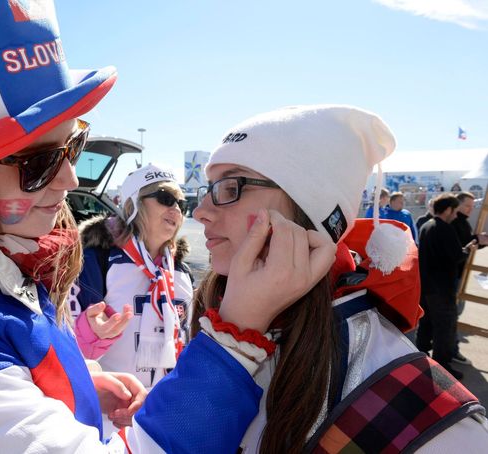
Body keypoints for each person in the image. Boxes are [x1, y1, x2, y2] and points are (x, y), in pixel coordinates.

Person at [0, 1, 335, 452]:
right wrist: (236, 337)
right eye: (36, 163)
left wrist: (75, 388)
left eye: (72, 146)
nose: (65, 180)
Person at [192, 105, 488, 453]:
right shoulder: (214, 310)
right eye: (209, 189)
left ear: (308, 211)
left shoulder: (427, 417)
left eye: (230, 187)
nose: (199, 212)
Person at [71, 164, 193, 389]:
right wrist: (93, 333)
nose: (176, 209)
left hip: (162, 405)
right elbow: (67, 345)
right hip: (110, 408)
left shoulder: (181, 270)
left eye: (181, 203)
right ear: (132, 205)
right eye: (166, 198)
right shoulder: (97, 260)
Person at [416, 194, 479, 380]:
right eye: (455, 210)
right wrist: (469, 248)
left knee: (426, 325)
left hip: (427, 287)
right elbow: (456, 256)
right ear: (448, 210)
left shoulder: (427, 226)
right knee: (445, 328)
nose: (456, 214)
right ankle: (442, 369)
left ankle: (421, 361)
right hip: (441, 289)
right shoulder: (444, 228)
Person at [450, 191, 488, 365]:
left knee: (454, 314)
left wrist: (479, 241)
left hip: (458, 274)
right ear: (457, 204)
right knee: (452, 315)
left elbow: (468, 244)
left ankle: (449, 348)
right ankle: (451, 350)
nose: (470, 209)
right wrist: (476, 239)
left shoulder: (462, 221)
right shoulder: (452, 222)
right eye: (467, 205)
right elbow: (459, 247)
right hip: (452, 276)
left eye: (472, 206)